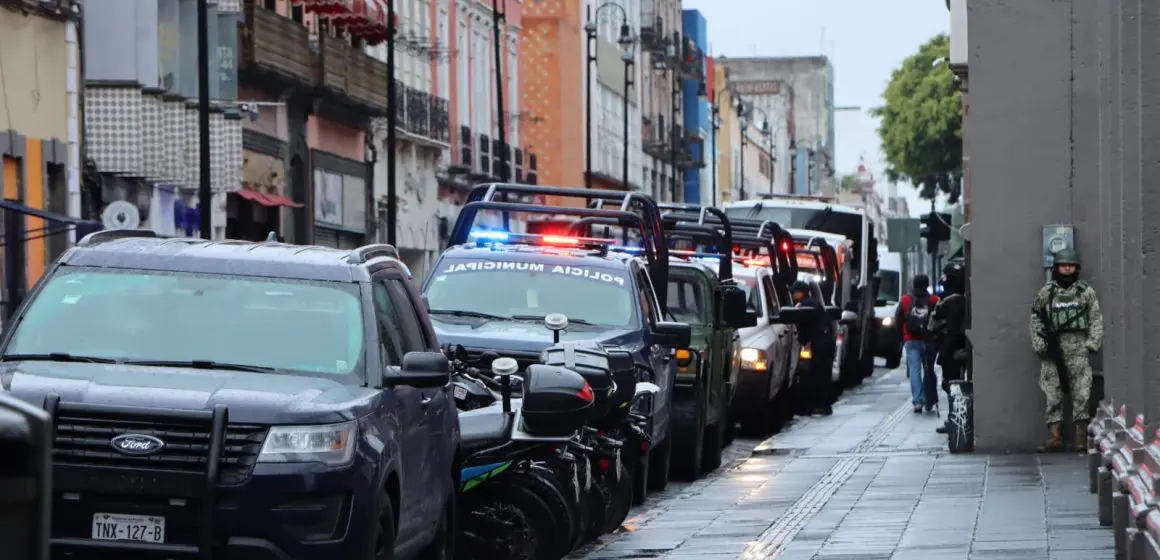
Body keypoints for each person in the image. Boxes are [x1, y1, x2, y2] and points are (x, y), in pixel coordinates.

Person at [1029, 248, 1103, 452]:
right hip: (1053, 351)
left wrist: (1091, 344)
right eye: (1063, 265)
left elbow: (1095, 318)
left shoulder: (1085, 292)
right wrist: (1040, 346)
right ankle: (1055, 436)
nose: (1067, 268)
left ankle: (1080, 437)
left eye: (1070, 265)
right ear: (1056, 268)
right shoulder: (1046, 293)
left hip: (1078, 349)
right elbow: (1035, 319)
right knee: (1052, 394)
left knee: (1082, 393)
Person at [930, 261, 968, 434]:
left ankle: (956, 419)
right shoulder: (960, 300)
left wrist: (944, 351)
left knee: (952, 386)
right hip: (957, 347)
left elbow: (951, 329)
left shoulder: (952, 302)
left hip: (953, 349)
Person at [896, 275, 939, 414]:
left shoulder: (905, 300)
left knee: (915, 370)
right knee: (929, 370)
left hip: (911, 340)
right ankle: (929, 400)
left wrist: (901, 338)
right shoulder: (934, 300)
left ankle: (917, 402)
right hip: (929, 340)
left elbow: (898, 320)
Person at [791, 281, 834, 416]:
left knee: (815, 377)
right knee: (822, 376)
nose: (793, 295)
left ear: (801, 292)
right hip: (824, 344)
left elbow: (803, 328)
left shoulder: (806, 306)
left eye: (795, 292)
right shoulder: (813, 303)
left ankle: (814, 406)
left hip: (819, 346)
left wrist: (803, 341)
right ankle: (822, 405)